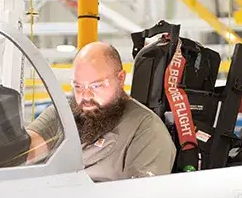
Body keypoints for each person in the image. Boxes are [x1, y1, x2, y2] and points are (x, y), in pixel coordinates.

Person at [26, 41, 176, 182]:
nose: (85, 96)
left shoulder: (147, 129)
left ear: (121, 79)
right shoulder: (62, 114)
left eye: (96, 86)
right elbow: (28, 149)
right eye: (78, 87)